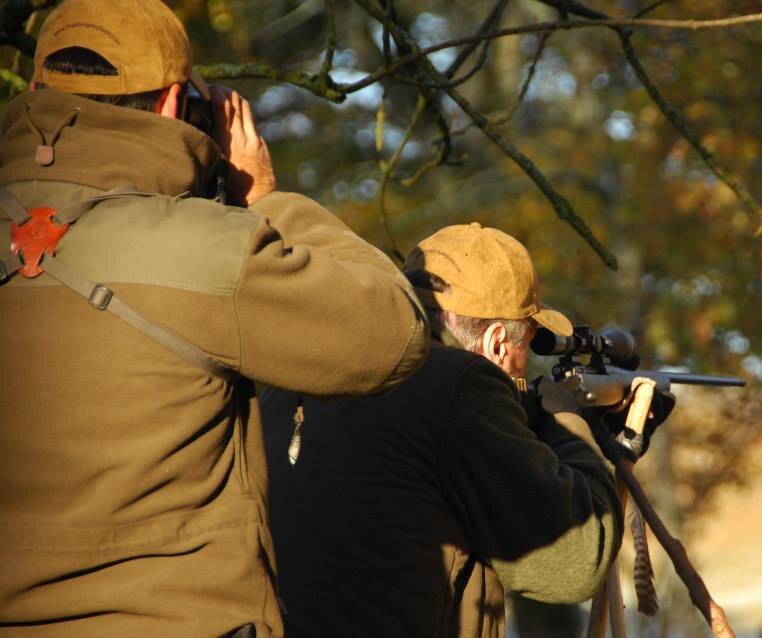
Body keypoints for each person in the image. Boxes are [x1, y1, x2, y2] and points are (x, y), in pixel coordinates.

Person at [0, 1, 428, 636]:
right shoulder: (211, 249)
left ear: (36, 91)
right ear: (176, 105)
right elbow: (392, 335)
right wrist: (266, 199)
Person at [260, 223, 625, 638]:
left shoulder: (299, 373)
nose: (524, 367)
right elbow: (577, 561)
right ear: (498, 344)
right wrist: (569, 419)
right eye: (528, 346)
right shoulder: (461, 384)